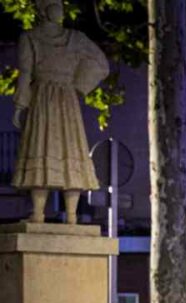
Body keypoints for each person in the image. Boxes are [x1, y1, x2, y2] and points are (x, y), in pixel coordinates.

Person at [12, 0, 109, 224]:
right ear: (43, 10)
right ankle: (43, 214)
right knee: (49, 148)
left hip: (57, 99)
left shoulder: (74, 38)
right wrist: (20, 105)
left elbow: (101, 64)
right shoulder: (30, 38)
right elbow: (25, 74)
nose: (60, 10)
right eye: (55, 5)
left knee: (66, 150)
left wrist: (78, 85)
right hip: (51, 99)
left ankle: (67, 215)